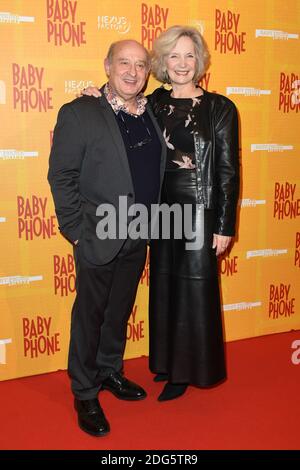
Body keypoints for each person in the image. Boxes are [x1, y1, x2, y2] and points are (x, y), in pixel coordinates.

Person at [82, 25, 240, 402]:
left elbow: (228, 170)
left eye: (189, 55)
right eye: (174, 55)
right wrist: (95, 96)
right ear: (163, 63)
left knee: (194, 292)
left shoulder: (220, 108)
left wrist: (224, 226)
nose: (182, 63)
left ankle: (187, 372)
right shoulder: (152, 102)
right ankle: (167, 363)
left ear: (199, 61)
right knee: (165, 288)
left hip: (199, 212)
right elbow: (119, 111)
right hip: (159, 210)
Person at [48, 39, 166, 436]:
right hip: (98, 235)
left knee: (118, 311)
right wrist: (76, 232)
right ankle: (84, 390)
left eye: (140, 65)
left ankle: (110, 371)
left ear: (148, 72)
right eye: (124, 63)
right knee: (90, 315)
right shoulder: (80, 113)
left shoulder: (152, 113)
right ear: (107, 65)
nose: (132, 72)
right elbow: (61, 176)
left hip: (139, 233)